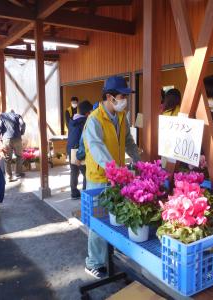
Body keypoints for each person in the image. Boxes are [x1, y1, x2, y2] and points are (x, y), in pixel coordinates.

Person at [83, 75, 140, 279]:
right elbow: (97, 149)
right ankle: (93, 262)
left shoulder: (121, 116)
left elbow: (128, 140)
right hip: (99, 177)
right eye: (121, 96)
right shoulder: (94, 120)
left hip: (118, 177)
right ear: (109, 97)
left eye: (126, 96)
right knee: (99, 221)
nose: (125, 99)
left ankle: (110, 254)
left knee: (115, 219)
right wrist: (115, 169)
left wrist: (139, 159)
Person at [67, 100, 93, 199]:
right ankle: (86, 193)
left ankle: (74, 192)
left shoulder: (72, 120)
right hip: (79, 150)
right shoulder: (85, 122)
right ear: (87, 113)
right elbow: (85, 139)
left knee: (74, 171)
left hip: (70, 148)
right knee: (86, 172)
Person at [0, 109, 26, 181]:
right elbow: (23, 124)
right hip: (17, 138)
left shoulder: (2, 116)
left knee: (7, 158)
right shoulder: (17, 115)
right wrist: (21, 132)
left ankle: (9, 176)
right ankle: (18, 172)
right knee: (19, 156)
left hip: (6, 139)